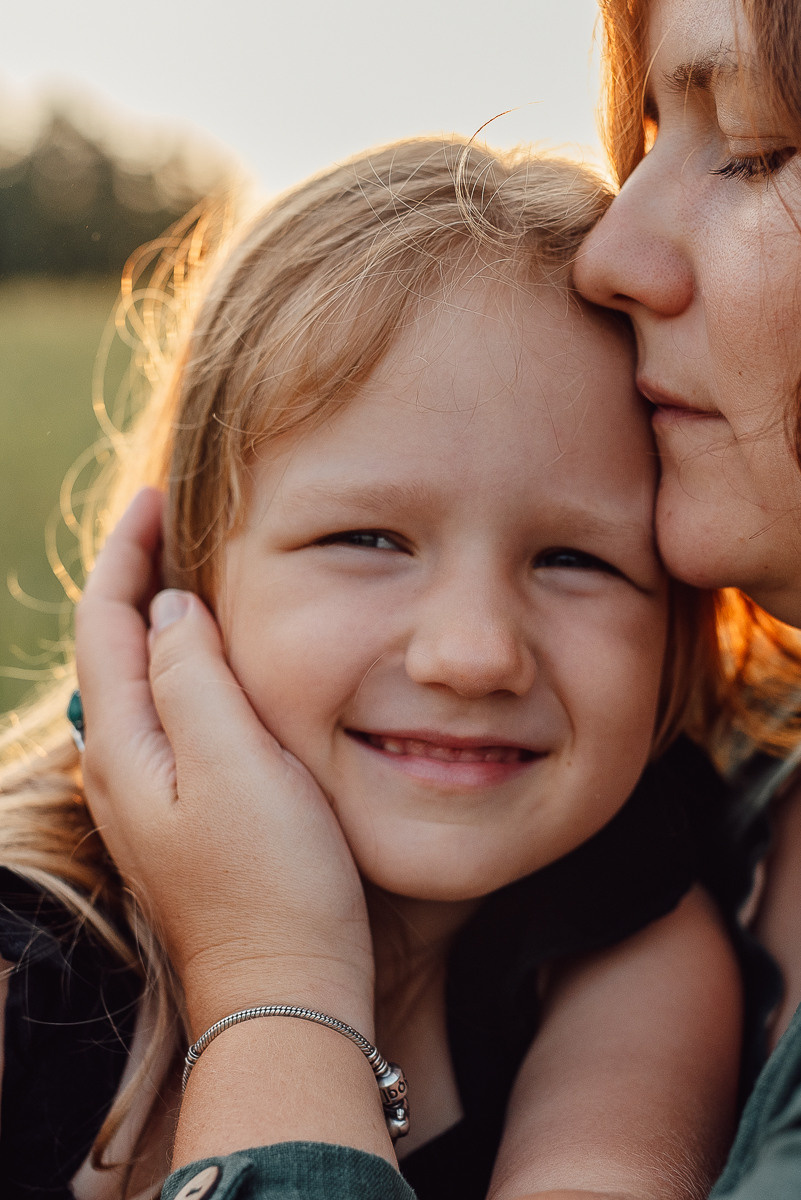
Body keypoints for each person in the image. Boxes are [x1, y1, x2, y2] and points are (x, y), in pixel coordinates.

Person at [0, 137, 749, 1200]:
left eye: (575, 559)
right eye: (369, 540)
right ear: (186, 571)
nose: (473, 654)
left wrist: (272, 972)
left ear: (680, 626)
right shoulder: (25, 939)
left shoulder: (624, 940)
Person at [572, 0, 801, 1196]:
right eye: (656, 130)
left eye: (756, 147)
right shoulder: (694, 762)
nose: (607, 255)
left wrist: (272, 989)